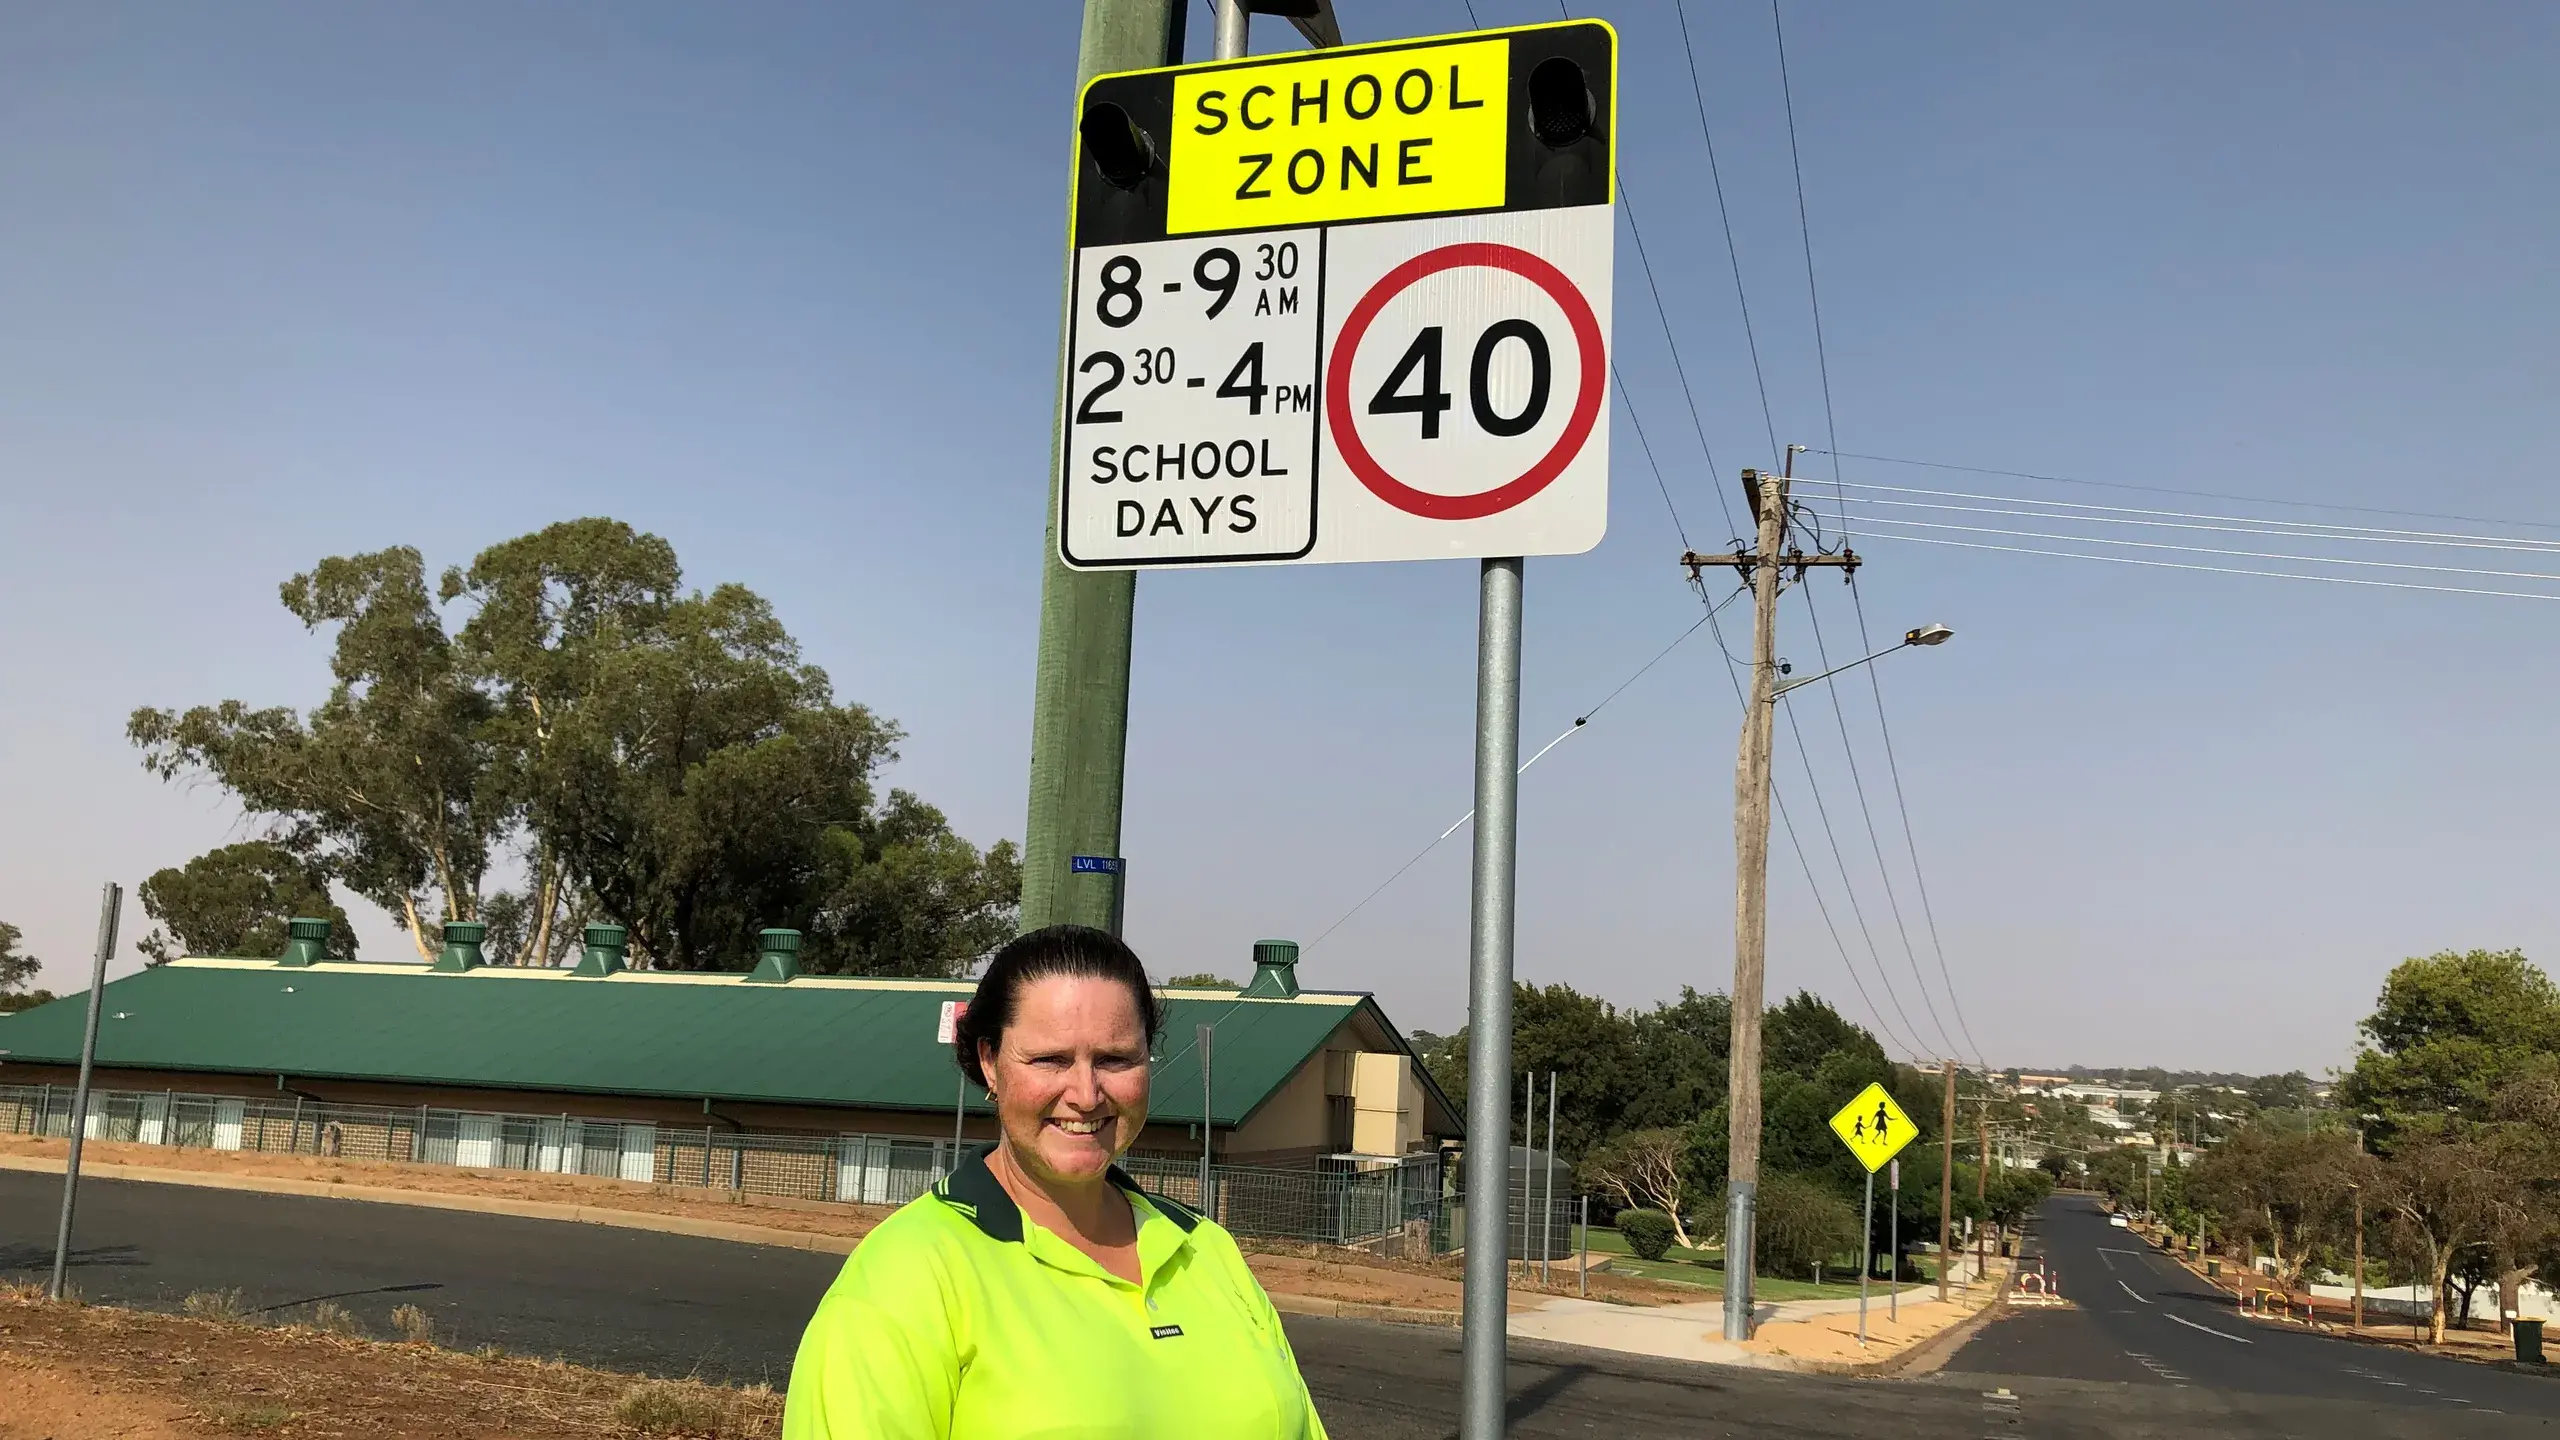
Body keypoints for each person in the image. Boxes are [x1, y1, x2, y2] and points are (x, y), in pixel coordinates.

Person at [783, 925, 1329, 1439]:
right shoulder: (907, 1276)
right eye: (1050, 1059)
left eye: (1115, 1059)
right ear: (991, 1063)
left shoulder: (1207, 1251)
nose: (1086, 1095)